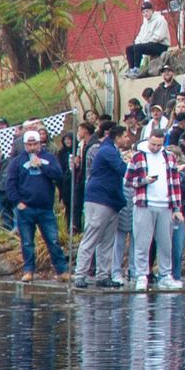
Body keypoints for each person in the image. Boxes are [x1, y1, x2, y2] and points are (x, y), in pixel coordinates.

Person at [124, 126, 185, 289]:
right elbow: (128, 180)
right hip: (145, 204)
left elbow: (175, 183)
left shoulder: (169, 157)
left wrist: (177, 208)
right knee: (142, 241)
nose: (156, 148)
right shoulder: (138, 156)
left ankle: (165, 274)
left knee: (166, 242)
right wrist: (144, 180)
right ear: (148, 140)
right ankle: (142, 275)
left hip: (165, 205)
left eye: (159, 145)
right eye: (153, 144)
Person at [7, 129, 69, 281]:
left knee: (53, 241)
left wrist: (42, 165)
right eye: (29, 144)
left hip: (45, 208)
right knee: (27, 242)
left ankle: (62, 271)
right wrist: (17, 202)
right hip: (26, 208)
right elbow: (11, 183)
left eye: (35, 144)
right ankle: (28, 271)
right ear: (25, 145)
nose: (33, 147)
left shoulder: (49, 158)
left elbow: (58, 175)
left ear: (40, 144)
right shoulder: (17, 161)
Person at [73, 123, 127, 288]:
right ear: (117, 137)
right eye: (125, 136)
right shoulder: (107, 151)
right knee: (92, 237)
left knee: (107, 241)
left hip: (111, 201)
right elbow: (122, 169)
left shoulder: (112, 150)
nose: (127, 139)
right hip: (99, 199)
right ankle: (80, 274)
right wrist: (129, 162)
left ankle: (103, 275)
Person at [124, 0, 171, 76]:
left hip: (160, 45)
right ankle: (131, 69)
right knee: (129, 49)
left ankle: (137, 69)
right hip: (149, 44)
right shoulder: (145, 23)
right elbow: (140, 36)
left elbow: (158, 37)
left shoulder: (160, 20)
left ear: (152, 11)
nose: (145, 14)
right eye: (143, 12)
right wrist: (138, 42)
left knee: (138, 48)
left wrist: (144, 43)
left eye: (147, 11)